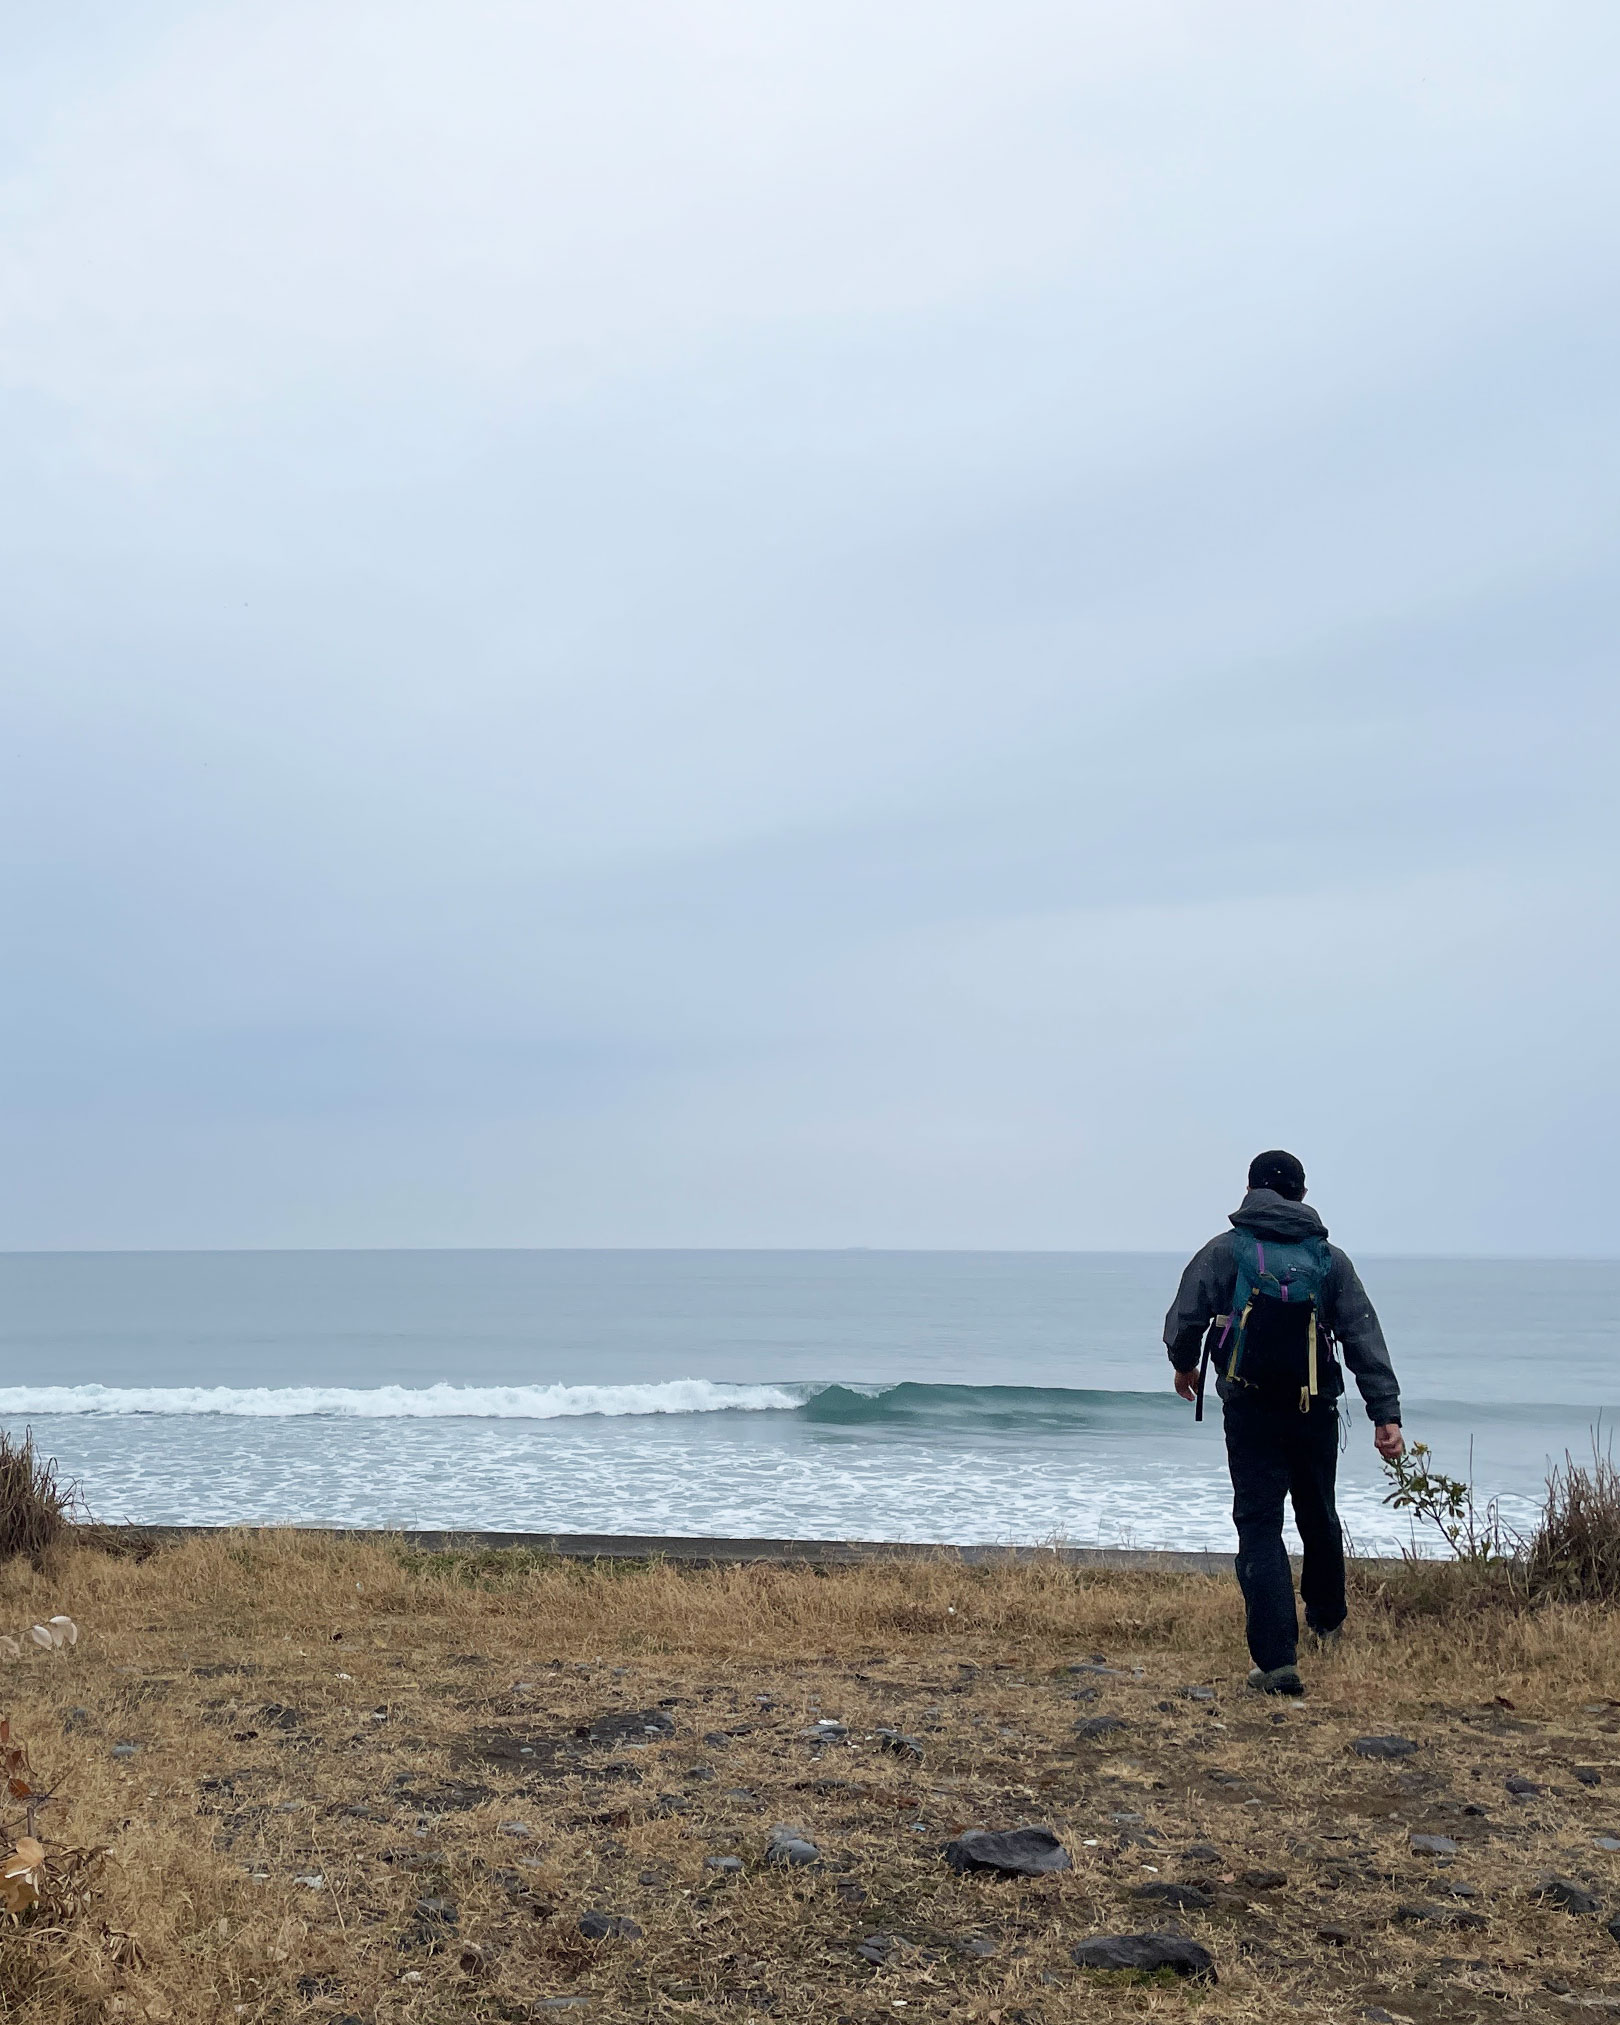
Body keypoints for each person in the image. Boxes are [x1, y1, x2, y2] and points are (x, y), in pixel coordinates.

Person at [1164, 1150, 1404, 1696]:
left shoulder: (1226, 1250)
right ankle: (1327, 1620)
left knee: (1259, 1522)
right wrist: (1384, 1414)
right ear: (1300, 1193)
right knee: (1318, 1513)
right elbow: (1364, 1337)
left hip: (1249, 1408)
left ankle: (1276, 1663)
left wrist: (1183, 1365)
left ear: (1250, 1191)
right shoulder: (1328, 1258)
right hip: (1314, 1407)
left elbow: (1185, 1316)